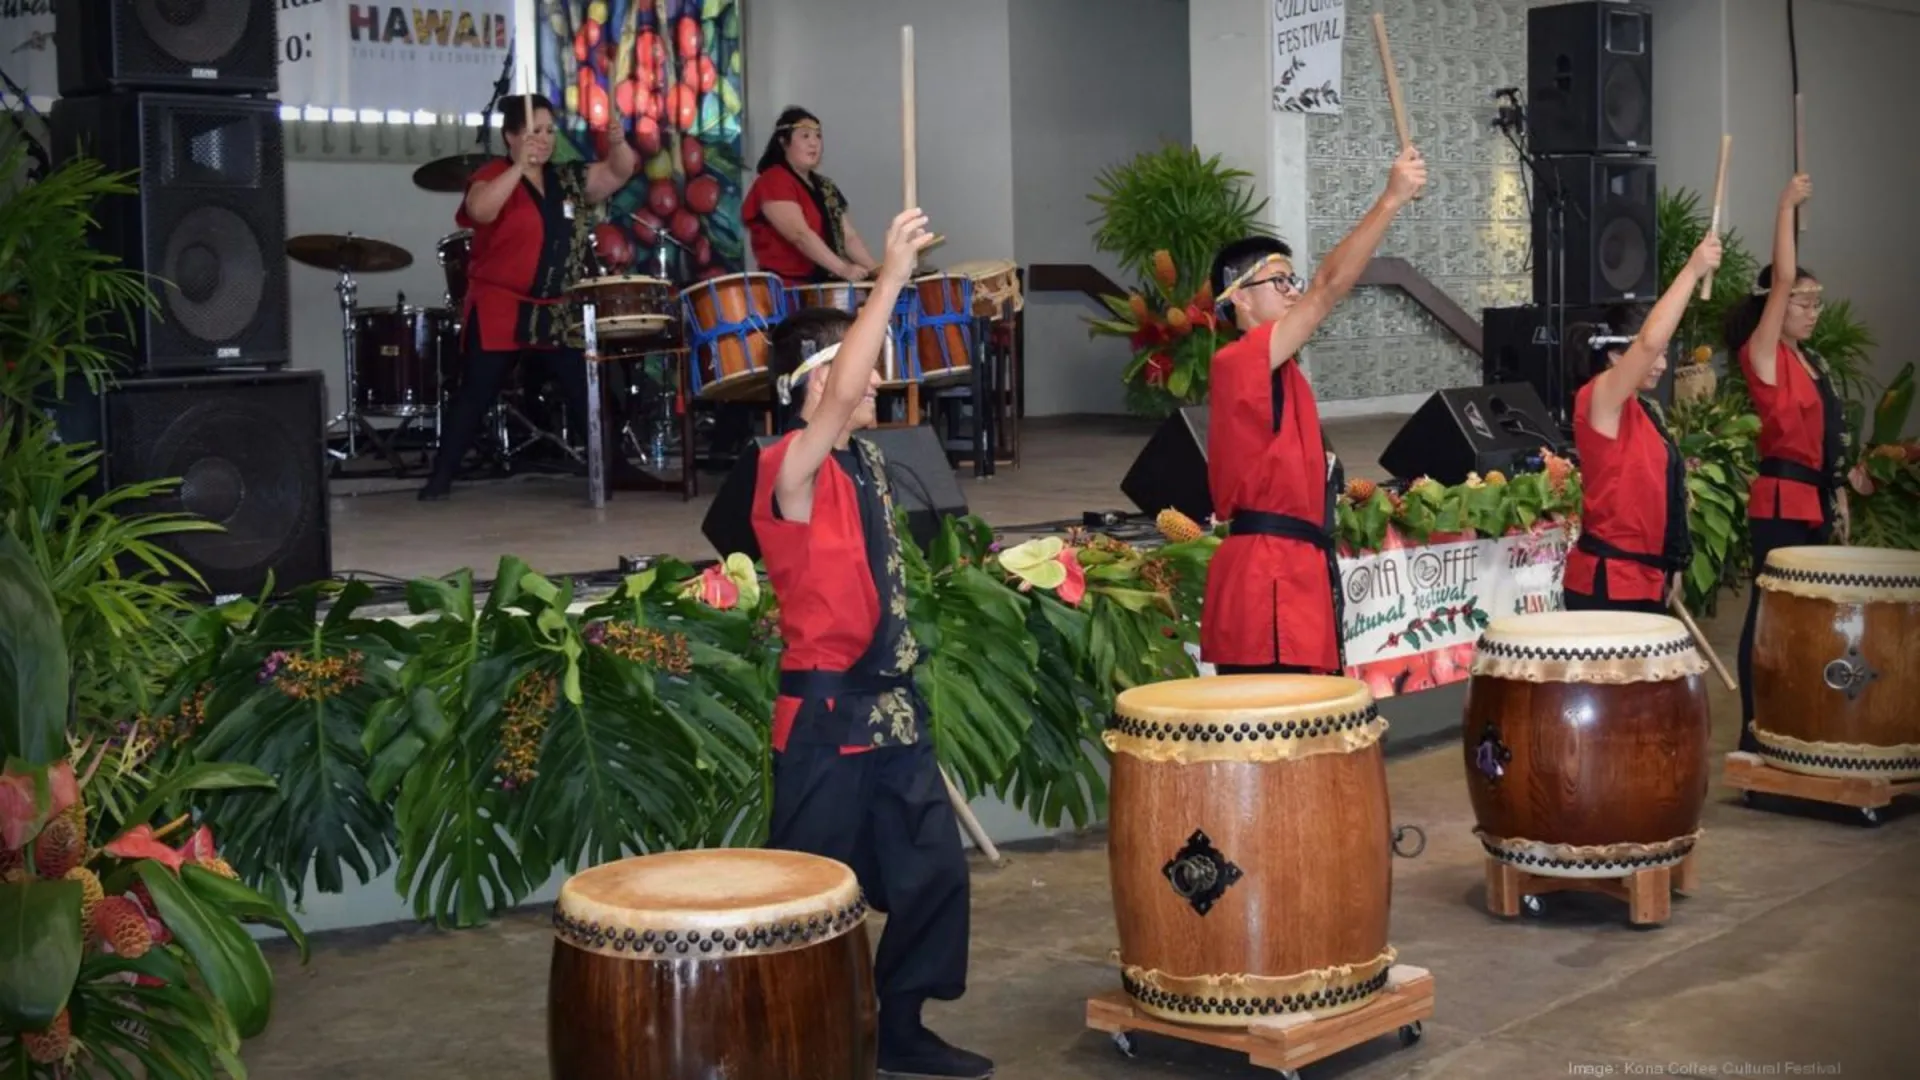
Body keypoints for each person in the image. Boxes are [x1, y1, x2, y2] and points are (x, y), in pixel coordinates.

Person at [750, 208, 992, 1080]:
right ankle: (795, 1038)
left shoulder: (872, 464)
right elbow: (847, 391)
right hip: (824, 715)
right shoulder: (789, 469)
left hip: (890, 707)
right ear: (809, 388)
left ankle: (900, 1027)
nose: (866, 387)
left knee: (933, 877)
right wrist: (886, 277)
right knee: (811, 894)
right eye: (844, 374)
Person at [1199, 146, 1427, 675]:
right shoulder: (1238, 363)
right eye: (1277, 281)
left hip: (1294, 569)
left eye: (1291, 280)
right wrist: (1389, 200)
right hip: (1266, 577)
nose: (1292, 290)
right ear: (1239, 300)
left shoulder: (1286, 372)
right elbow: (1328, 288)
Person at [419, 93, 639, 500]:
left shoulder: (567, 179)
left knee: (584, 388)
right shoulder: (493, 174)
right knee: (478, 391)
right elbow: (481, 211)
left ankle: (612, 470)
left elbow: (616, 173)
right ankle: (439, 479)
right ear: (511, 137)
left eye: (550, 131)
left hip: (555, 308)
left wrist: (618, 143)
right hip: (501, 303)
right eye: (535, 131)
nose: (545, 139)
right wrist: (519, 167)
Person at [1727, 172, 1845, 753]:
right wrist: (1784, 208)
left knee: (1811, 612)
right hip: (1780, 499)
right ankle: (1756, 725)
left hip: (1814, 497)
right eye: (1804, 301)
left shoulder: (1811, 361)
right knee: (1769, 611)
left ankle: (1800, 715)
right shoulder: (1763, 354)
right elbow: (1777, 282)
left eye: (1817, 301)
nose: (1812, 310)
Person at [1563, 233, 1723, 614]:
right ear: (1617, 356)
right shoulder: (1598, 397)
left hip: (1646, 577)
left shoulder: (1645, 410)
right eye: (1656, 355)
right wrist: (1693, 269)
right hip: (1609, 582)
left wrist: (1671, 564)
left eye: (1667, 354)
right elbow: (1649, 341)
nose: (1663, 364)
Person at [742, 106, 881, 285]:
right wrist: (843, 269)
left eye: (818, 136)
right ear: (784, 141)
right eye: (805, 136)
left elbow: (848, 236)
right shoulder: (773, 180)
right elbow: (800, 235)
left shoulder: (825, 186)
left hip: (824, 286)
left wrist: (875, 270)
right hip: (787, 290)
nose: (814, 143)